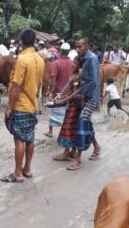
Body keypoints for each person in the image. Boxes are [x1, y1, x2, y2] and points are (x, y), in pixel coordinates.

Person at [1, 29, 44, 182]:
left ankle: (18, 173)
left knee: (19, 139)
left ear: (21, 42)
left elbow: (16, 86)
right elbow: (39, 85)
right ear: (34, 42)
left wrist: (9, 106)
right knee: (30, 138)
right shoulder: (40, 60)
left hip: (21, 105)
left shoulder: (22, 59)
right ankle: (27, 169)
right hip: (33, 105)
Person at [65, 38, 101, 170]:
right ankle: (96, 147)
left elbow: (93, 82)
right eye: (76, 47)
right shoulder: (82, 59)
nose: (77, 49)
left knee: (81, 123)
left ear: (86, 46)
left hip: (90, 97)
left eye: (80, 47)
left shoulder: (92, 59)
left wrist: (80, 94)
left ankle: (78, 160)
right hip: (83, 96)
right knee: (86, 124)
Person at [44, 43, 74, 138]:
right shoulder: (73, 63)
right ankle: (63, 131)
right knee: (65, 112)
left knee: (53, 111)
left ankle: (50, 131)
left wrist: (50, 91)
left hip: (57, 91)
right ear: (68, 52)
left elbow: (53, 80)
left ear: (60, 51)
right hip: (68, 92)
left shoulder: (56, 63)